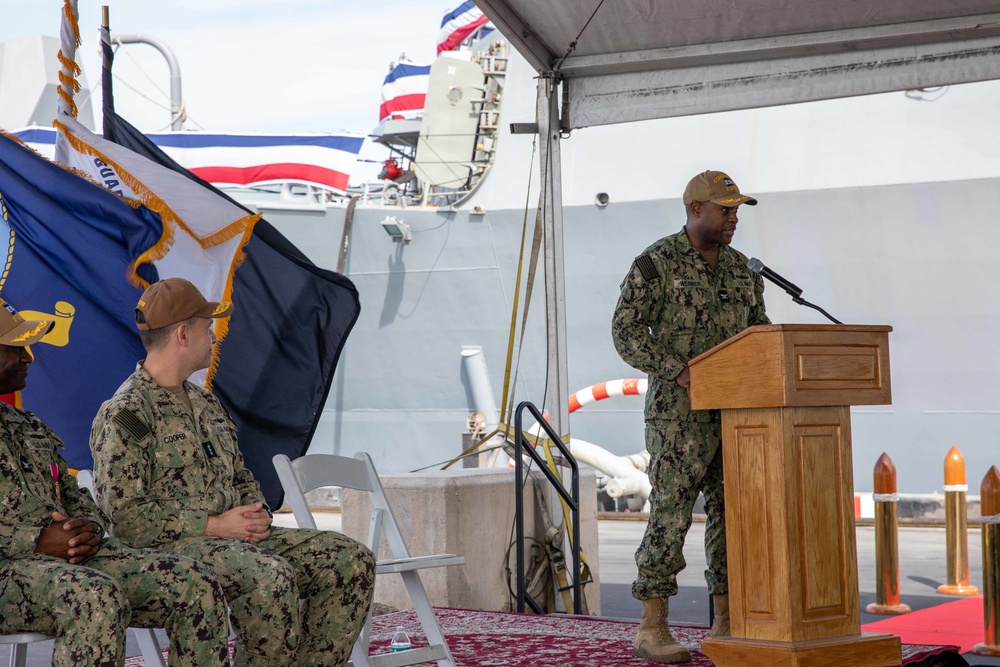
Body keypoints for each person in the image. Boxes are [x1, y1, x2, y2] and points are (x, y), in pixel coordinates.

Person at [90, 277, 376, 667]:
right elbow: (127, 520)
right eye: (208, 328)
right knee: (267, 576)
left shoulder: (205, 404)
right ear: (183, 334)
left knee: (349, 560)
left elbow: (240, 477)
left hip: (236, 541)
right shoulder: (127, 413)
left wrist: (254, 513)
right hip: (170, 550)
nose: (215, 337)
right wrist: (215, 525)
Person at [0, 296, 231, 667]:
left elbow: (74, 494)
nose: (27, 357)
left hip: (67, 560)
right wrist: (37, 541)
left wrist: (85, 527)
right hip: (8, 570)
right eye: (14, 347)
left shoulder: (27, 427)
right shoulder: (128, 409)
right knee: (96, 597)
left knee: (197, 583)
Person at [611, 170, 770, 663]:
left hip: (736, 413)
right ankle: (652, 626)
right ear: (695, 209)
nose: (734, 218)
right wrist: (675, 370)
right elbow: (626, 333)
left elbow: (759, 332)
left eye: (737, 210)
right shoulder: (656, 264)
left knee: (732, 515)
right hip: (678, 418)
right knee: (672, 513)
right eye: (725, 210)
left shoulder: (743, 269)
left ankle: (726, 621)